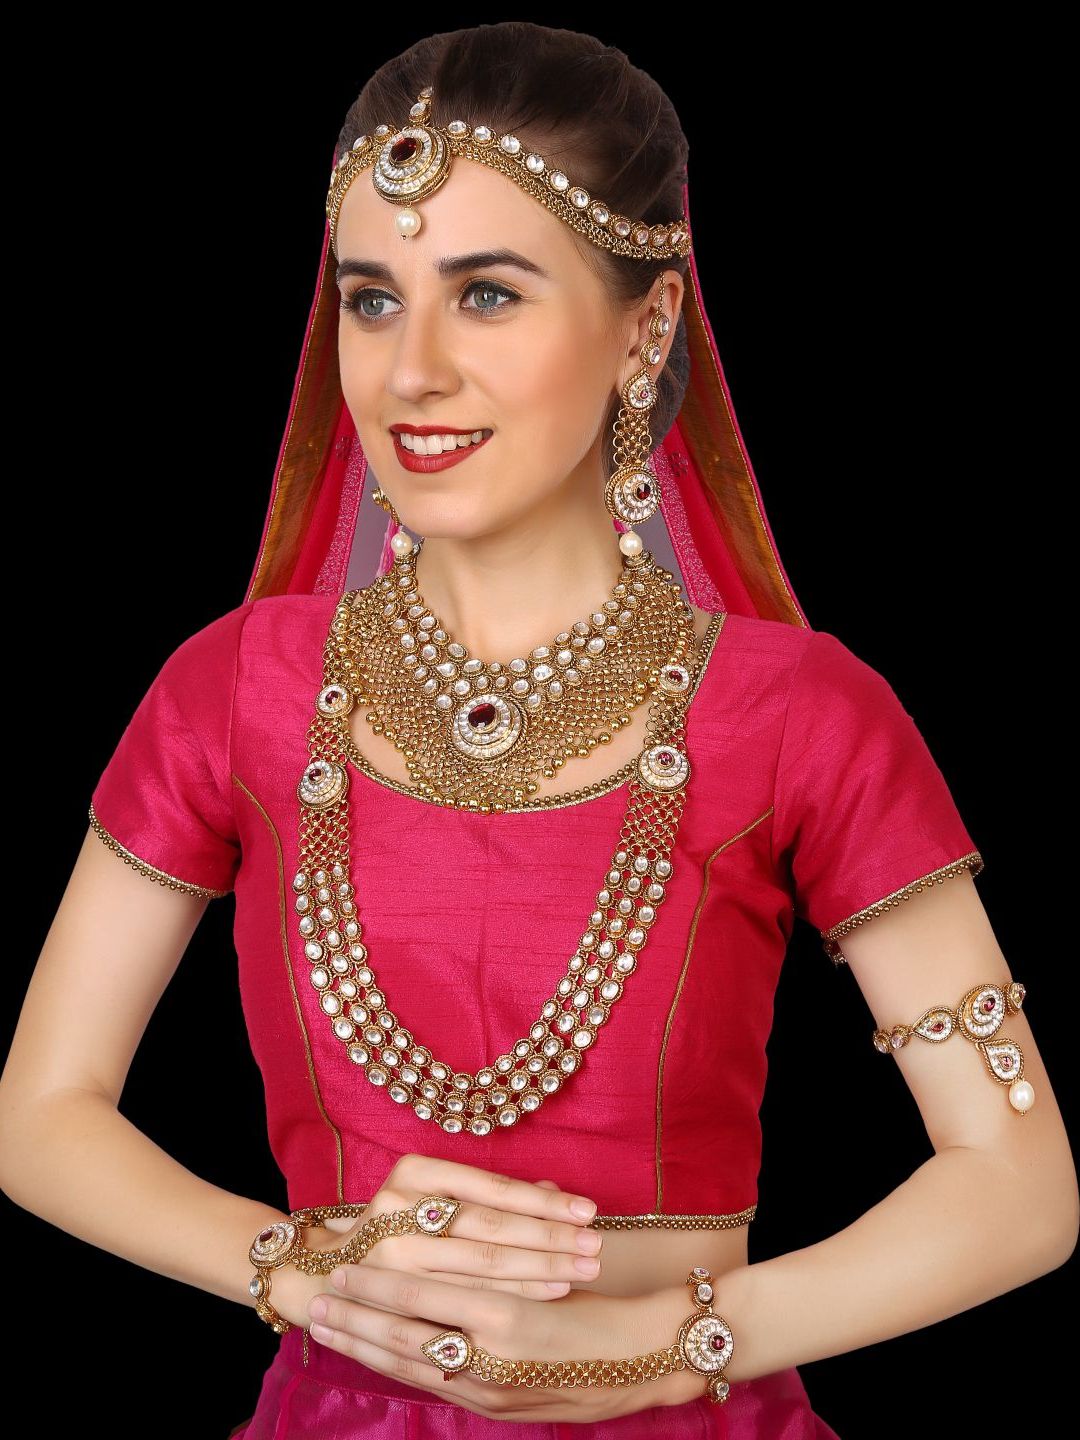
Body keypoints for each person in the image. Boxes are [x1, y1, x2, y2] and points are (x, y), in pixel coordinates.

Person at [1, 22, 1075, 1439]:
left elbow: (1018, 1183)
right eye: (372, 301)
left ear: (647, 327)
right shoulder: (236, 690)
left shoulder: (800, 717)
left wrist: (664, 1348)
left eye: (489, 295)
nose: (411, 372)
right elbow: (45, 1112)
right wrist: (293, 1271)